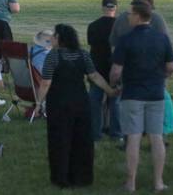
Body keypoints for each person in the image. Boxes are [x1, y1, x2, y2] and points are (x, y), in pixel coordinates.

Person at [35, 24, 118, 188]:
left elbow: (45, 82)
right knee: (81, 139)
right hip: (80, 102)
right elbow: (94, 76)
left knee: (60, 139)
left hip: (59, 103)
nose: (51, 38)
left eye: (54, 36)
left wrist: (38, 103)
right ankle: (82, 177)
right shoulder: (83, 55)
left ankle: (61, 178)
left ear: (60, 39)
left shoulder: (53, 56)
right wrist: (109, 91)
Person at [110, 1, 173, 193]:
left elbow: (116, 71)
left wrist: (115, 84)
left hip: (132, 93)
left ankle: (131, 183)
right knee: (156, 137)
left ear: (138, 16)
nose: (128, 17)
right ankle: (158, 182)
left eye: (130, 14)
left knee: (133, 137)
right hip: (156, 93)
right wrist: (160, 76)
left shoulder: (126, 40)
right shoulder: (162, 39)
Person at [87, 0, 121, 142]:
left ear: (102, 8)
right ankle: (116, 133)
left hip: (97, 69)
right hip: (115, 67)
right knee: (116, 101)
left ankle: (95, 132)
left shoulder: (93, 26)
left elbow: (91, 44)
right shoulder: (120, 26)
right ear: (115, 8)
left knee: (95, 100)